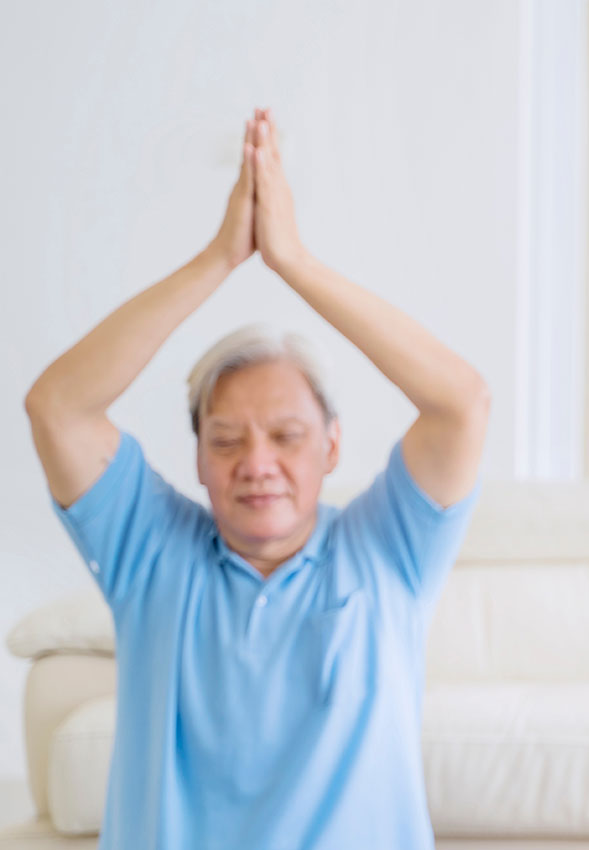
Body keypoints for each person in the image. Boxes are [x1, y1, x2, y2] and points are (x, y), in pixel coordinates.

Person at [24, 109, 490, 848]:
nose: (258, 463)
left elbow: (461, 403)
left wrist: (295, 262)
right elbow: (57, 408)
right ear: (200, 458)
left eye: (287, 436)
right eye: (228, 439)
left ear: (332, 447)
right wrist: (218, 258)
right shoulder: (150, 551)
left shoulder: (386, 549)